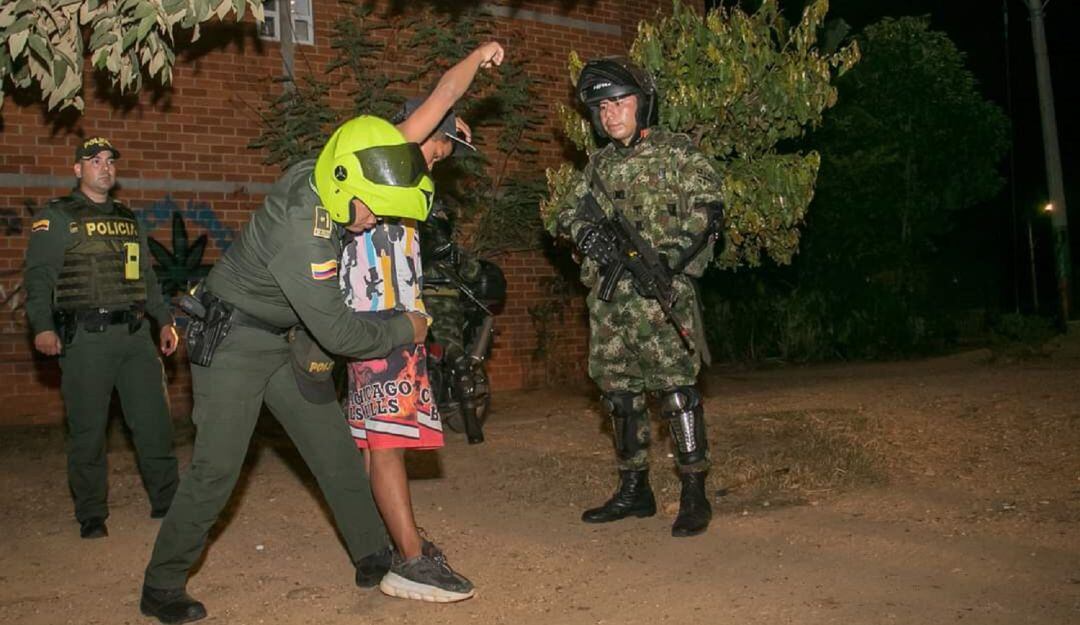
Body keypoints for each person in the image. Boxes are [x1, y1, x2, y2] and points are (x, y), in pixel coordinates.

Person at [138, 41, 504, 624]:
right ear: (345, 193)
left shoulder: (344, 165)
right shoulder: (303, 235)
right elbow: (341, 335)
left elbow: (436, 102)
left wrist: (476, 58)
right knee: (217, 469)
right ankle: (161, 585)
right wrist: (406, 327)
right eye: (370, 212)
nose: (372, 220)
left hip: (280, 337)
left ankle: (373, 555)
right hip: (233, 345)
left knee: (333, 450)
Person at [555, 57, 725, 538]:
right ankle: (635, 490)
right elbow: (563, 214)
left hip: (660, 296)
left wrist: (667, 260)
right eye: (602, 107)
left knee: (677, 394)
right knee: (619, 397)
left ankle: (694, 491)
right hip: (610, 305)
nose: (610, 114)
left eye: (619, 102)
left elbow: (708, 212)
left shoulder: (678, 154)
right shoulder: (597, 167)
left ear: (642, 103)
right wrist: (583, 232)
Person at [340, 98, 478, 602]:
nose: (438, 162)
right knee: (386, 445)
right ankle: (411, 561)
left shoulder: (401, 181)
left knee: (373, 442)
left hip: (385, 324)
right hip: (381, 325)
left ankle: (383, 543)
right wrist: (446, 106)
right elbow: (423, 114)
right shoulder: (378, 164)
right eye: (439, 150)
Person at [24, 136, 180, 540]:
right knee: (88, 430)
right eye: (94, 161)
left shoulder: (128, 219)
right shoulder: (58, 217)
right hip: (86, 340)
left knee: (154, 424)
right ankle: (91, 513)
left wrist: (164, 320)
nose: (104, 167)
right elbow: (39, 277)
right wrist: (42, 326)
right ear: (78, 169)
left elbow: (145, 276)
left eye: (109, 160)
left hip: (135, 337)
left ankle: (167, 501)